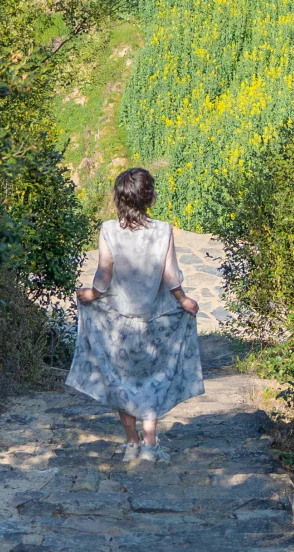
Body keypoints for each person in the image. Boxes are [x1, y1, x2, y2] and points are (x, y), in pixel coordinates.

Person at [66, 167, 204, 465]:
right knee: (154, 378)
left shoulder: (108, 230)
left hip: (117, 320)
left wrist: (92, 295)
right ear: (150, 197)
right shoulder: (163, 230)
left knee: (122, 379)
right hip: (156, 320)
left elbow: (104, 273)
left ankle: (131, 443)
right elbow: (170, 276)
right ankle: (151, 445)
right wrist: (184, 301)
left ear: (119, 198)